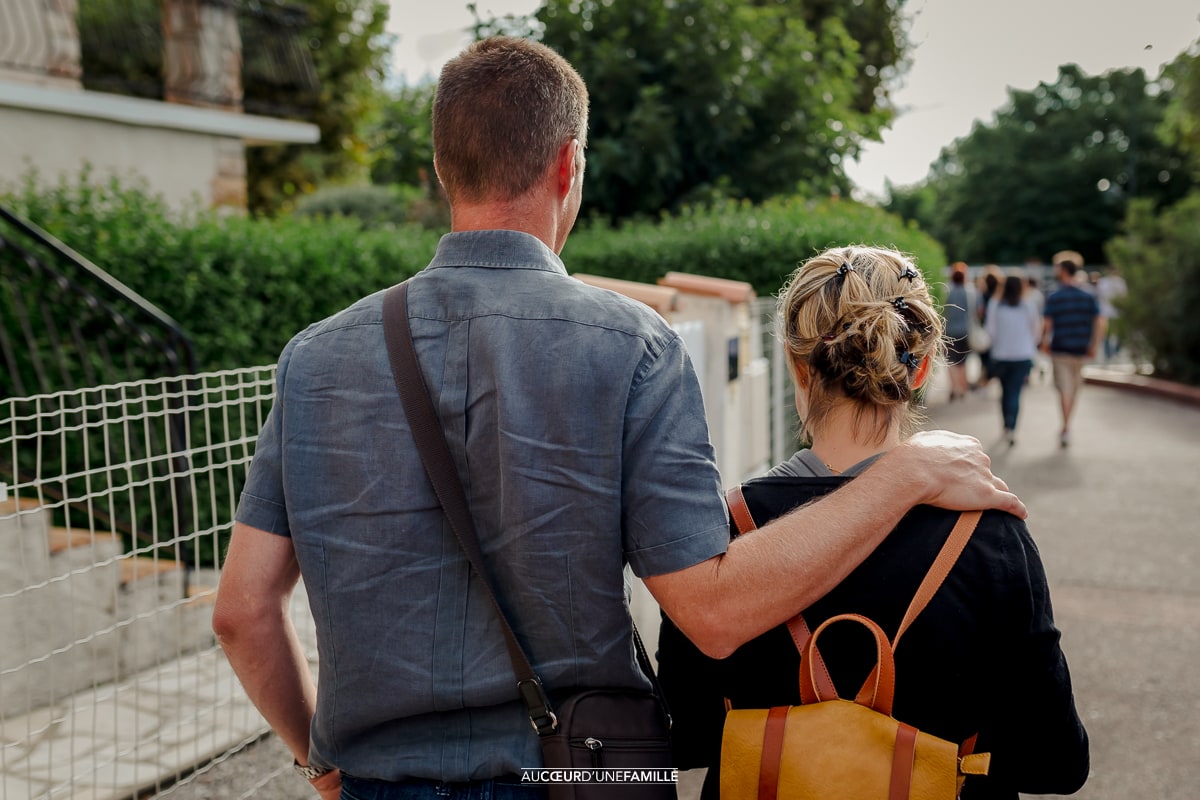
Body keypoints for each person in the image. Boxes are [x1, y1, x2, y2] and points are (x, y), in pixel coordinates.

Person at [212, 38, 1023, 800]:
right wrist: (907, 473)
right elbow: (713, 612)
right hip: (581, 775)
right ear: (570, 164)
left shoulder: (314, 358)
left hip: (378, 778)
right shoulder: (632, 345)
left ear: (440, 167)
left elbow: (243, 613)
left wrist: (319, 758)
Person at [657, 246, 1089, 800]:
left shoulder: (722, 531)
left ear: (798, 366)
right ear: (922, 368)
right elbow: (1056, 762)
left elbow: (687, 739)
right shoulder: (990, 531)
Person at [1042, 251, 1105, 447]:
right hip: (1081, 348)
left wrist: (1043, 341)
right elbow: (1100, 322)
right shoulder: (1088, 295)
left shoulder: (1054, 296)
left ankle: (1065, 425)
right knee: (1074, 389)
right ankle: (1067, 425)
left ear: (1062, 270)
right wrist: (1095, 344)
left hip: (1060, 348)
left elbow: (1047, 324)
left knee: (1065, 389)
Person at [986, 275, 1041, 445]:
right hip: (1022, 355)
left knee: (1004, 391)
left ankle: (1006, 425)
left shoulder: (995, 305)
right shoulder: (1028, 305)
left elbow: (990, 331)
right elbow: (1036, 330)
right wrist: (1030, 345)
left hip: (1001, 355)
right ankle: (1012, 428)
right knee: (1016, 392)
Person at [943, 262, 975, 401]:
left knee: (951, 361)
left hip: (948, 330)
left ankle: (954, 387)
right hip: (965, 329)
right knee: (963, 361)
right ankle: (963, 387)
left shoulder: (946, 291)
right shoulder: (969, 292)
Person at [1095, 266, 1127, 361]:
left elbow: (1124, 297)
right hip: (1106, 312)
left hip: (1118, 313)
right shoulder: (1103, 282)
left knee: (1120, 334)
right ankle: (1108, 354)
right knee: (1106, 334)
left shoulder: (1120, 282)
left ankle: (1116, 352)